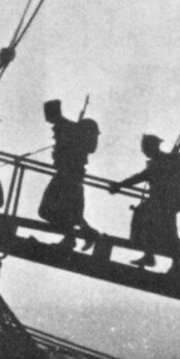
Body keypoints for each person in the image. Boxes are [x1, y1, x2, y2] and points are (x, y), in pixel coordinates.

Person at [109, 134, 180, 277]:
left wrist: (120, 185)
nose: (143, 151)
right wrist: (120, 185)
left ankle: (173, 265)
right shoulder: (161, 161)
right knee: (154, 226)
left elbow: (141, 176)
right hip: (161, 201)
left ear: (152, 147)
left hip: (165, 202)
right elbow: (143, 176)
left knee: (168, 232)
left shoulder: (163, 161)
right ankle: (153, 257)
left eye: (145, 148)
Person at [37, 100, 100, 250]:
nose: (46, 118)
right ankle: (80, 236)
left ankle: (76, 237)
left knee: (47, 210)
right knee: (72, 212)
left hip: (67, 174)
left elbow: (69, 150)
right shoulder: (68, 127)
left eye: (47, 114)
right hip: (72, 174)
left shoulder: (66, 127)